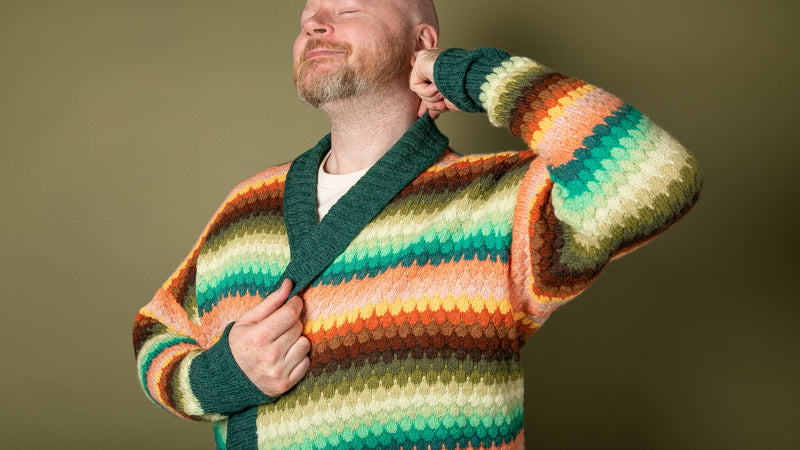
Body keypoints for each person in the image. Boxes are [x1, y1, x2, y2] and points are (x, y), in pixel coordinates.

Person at [132, 0, 702, 448]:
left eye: (347, 9)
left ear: (421, 44)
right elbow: (157, 332)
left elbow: (653, 174)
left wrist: (471, 74)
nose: (315, 24)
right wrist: (220, 379)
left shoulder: (500, 202)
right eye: (307, 16)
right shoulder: (247, 207)